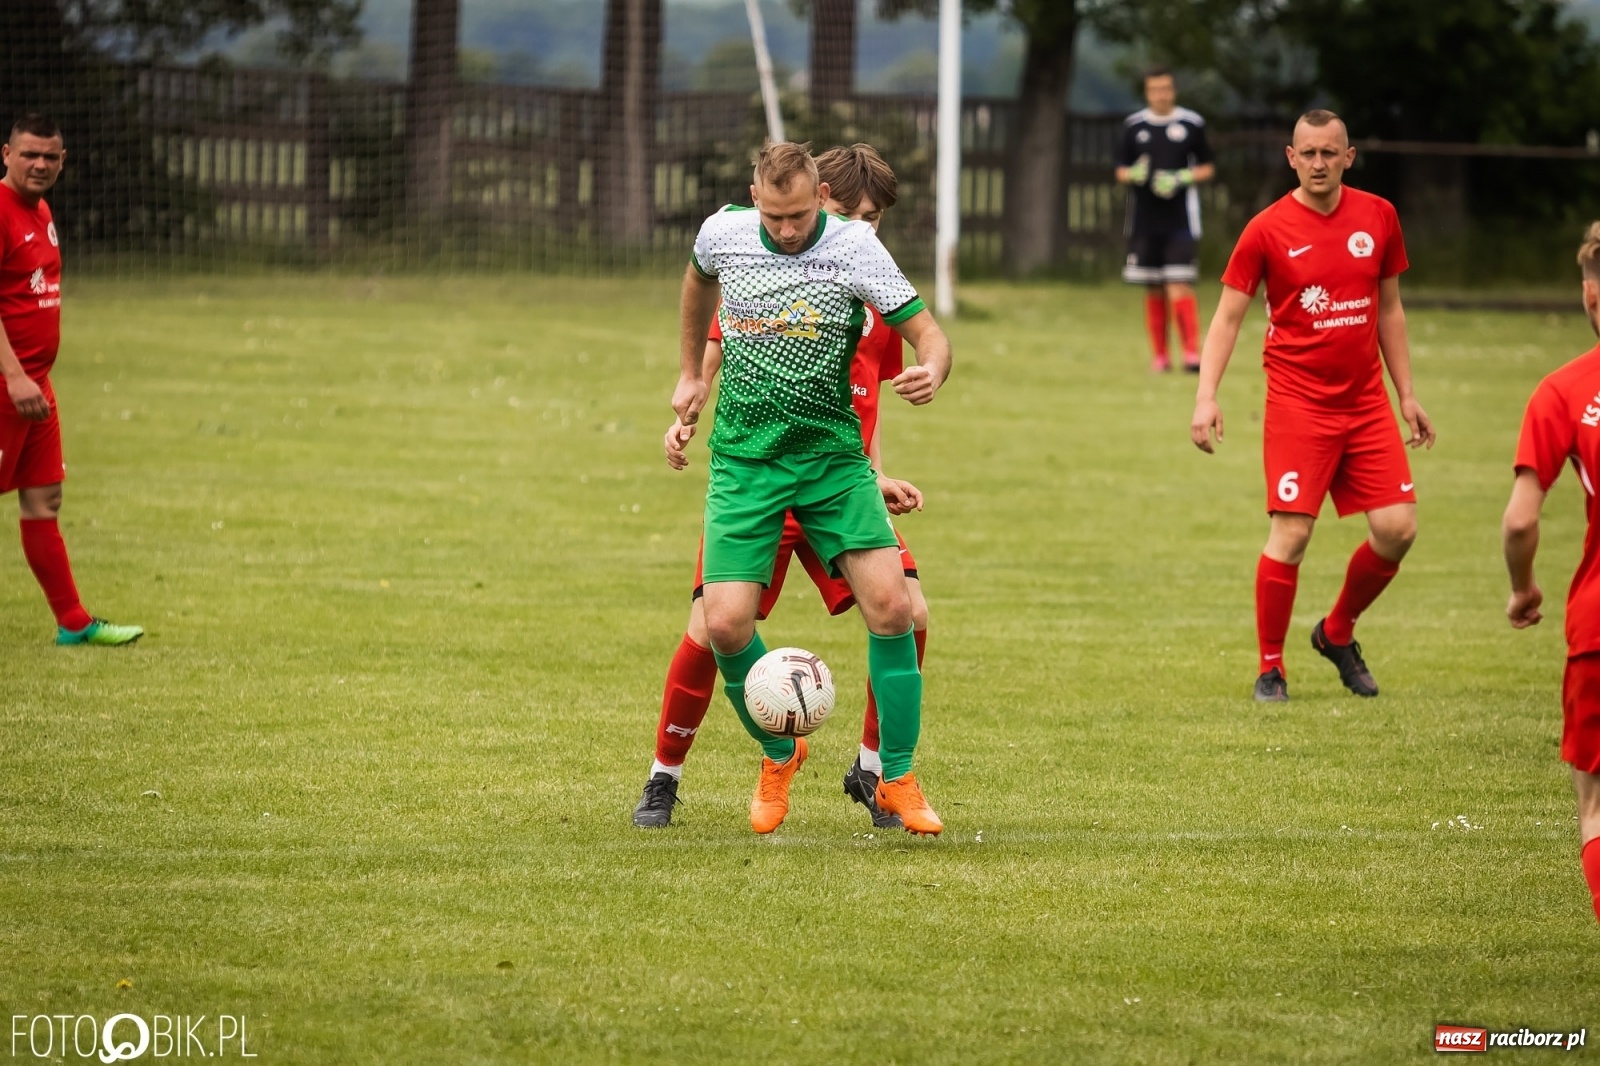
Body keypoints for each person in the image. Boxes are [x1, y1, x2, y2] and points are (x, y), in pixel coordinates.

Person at [633, 144, 929, 832]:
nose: (864, 229)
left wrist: (877, 472)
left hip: (835, 476)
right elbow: (713, 346)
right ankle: (665, 775)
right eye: (853, 214)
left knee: (907, 612)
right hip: (758, 469)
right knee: (712, 626)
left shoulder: (871, 287)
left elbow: (867, 402)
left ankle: (877, 770)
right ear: (820, 200)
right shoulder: (756, 268)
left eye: (875, 219)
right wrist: (687, 410)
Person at [1189, 109, 1434, 702]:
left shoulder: (1379, 216)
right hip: (1299, 404)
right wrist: (1206, 395)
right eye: (1309, 153)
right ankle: (1270, 668)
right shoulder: (1266, 229)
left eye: (1330, 153)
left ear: (1349, 157)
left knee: (1398, 530)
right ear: (1291, 158)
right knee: (1292, 534)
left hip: (1366, 403)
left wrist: (1406, 394)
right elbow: (1227, 317)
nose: (1319, 163)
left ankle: (1336, 631)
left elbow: (1390, 309)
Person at [0, 114, 141, 646]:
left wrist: (29, 379)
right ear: (6, 154)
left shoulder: (40, 210)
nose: (39, 164)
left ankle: (74, 622)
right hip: (10, 386)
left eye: (50, 156)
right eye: (29, 154)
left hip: (36, 387)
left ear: (63, 161)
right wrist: (14, 377)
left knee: (44, 501)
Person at [1502, 221, 1600, 924]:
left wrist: (1523, 589)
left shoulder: (1564, 390)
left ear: (1590, 295)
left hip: (1598, 624)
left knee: (1596, 806)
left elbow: (1518, 522)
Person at [1116, 67, 1216, 373]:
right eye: (1155, 89)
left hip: (1180, 220)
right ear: (1147, 92)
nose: (1161, 95)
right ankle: (1160, 356)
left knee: (1178, 284)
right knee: (1154, 287)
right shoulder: (1134, 126)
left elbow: (1207, 167)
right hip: (1144, 220)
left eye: (1166, 89)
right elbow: (1120, 170)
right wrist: (1133, 174)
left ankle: (1191, 354)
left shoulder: (1191, 124)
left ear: (1173, 90)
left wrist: (1182, 177)